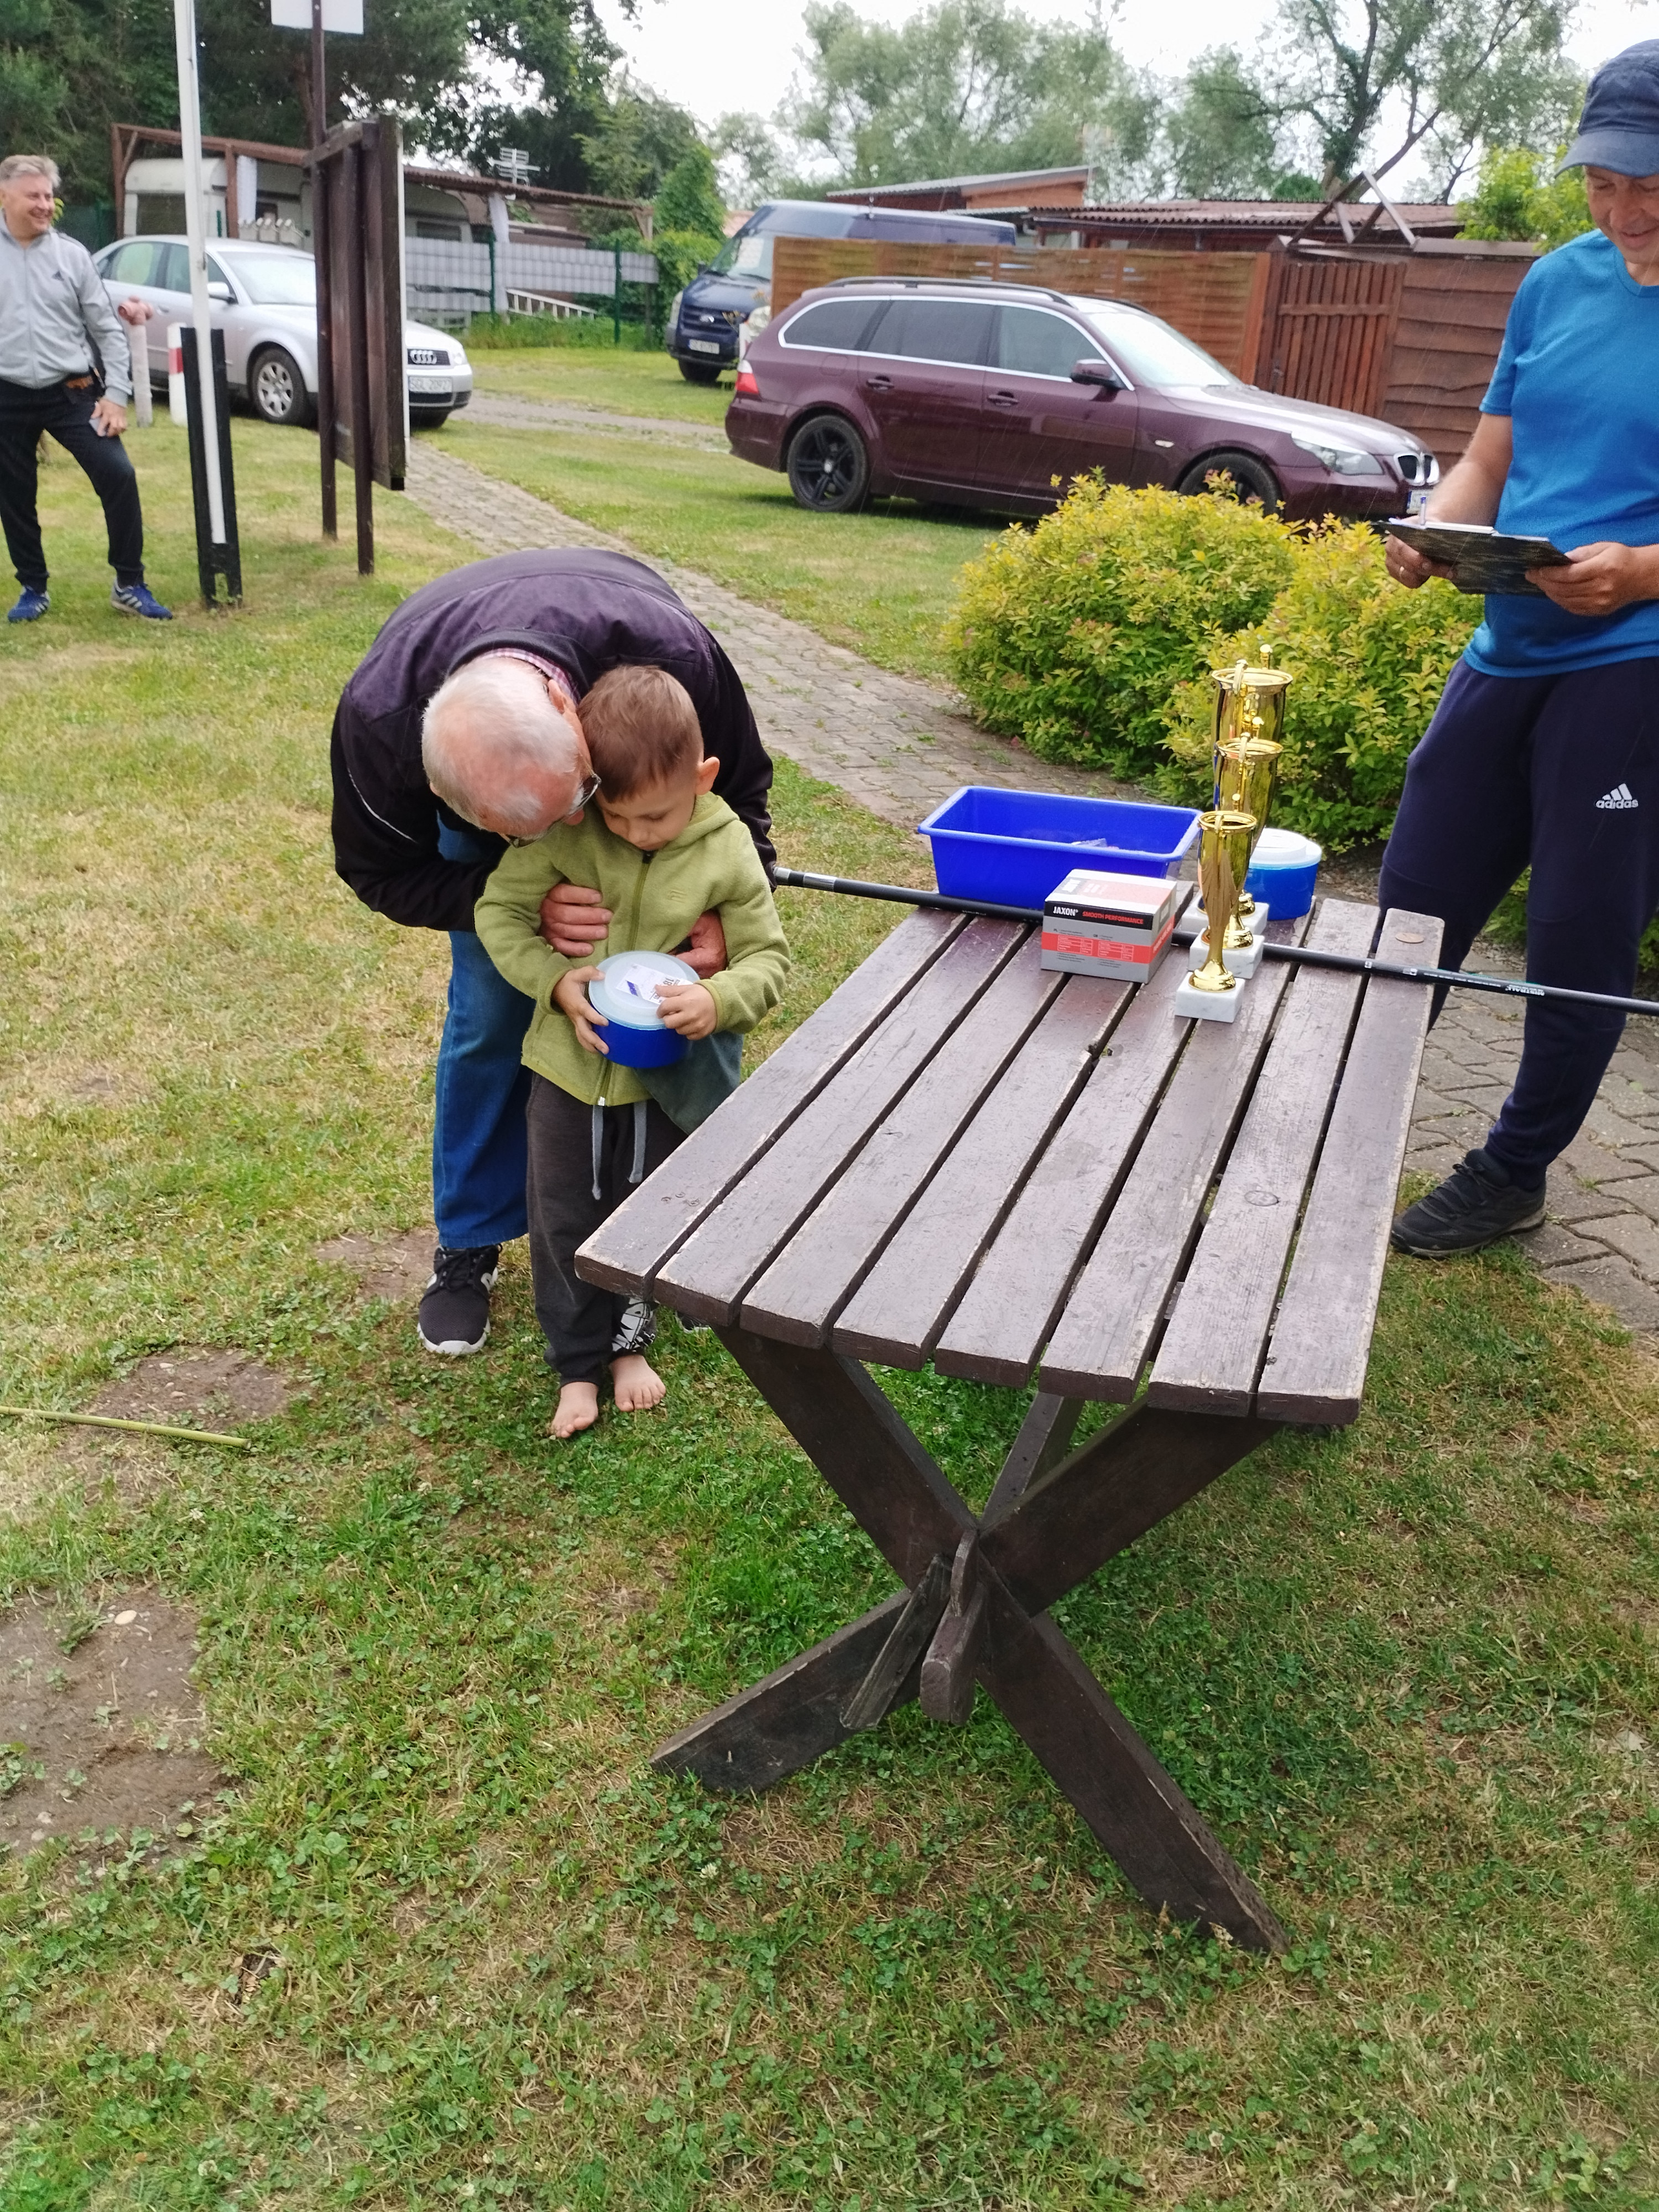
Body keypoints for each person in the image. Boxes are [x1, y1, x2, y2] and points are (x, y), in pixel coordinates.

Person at [328, 547, 776, 1356]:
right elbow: (377, 873)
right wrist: (507, 897)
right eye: (531, 830)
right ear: (442, 795)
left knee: (675, 1012)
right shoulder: (379, 722)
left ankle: (680, 1234)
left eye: (577, 802)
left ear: (570, 713)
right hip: (493, 839)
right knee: (489, 1014)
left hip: (616, 717)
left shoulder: (672, 653)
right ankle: (469, 1242)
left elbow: (742, 791)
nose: (571, 834)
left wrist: (723, 911)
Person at [1380, 39, 1659, 1256]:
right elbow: (1492, 454)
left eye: (1649, 184)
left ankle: (1514, 1170)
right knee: (1416, 891)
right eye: (1602, 181)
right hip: (1509, 639)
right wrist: (1435, 529)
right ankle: (1345, 1102)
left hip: (1636, 654)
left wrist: (1642, 570)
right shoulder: (1555, 281)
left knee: (1579, 929)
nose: (1623, 208)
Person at [471, 665, 789, 1439]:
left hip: (664, 1082)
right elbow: (499, 912)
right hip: (565, 1071)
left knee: (637, 1213)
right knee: (561, 1216)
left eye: (656, 816)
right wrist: (554, 981)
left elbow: (767, 960)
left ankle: (628, 1346)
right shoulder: (573, 828)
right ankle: (576, 1365)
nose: (637, 834)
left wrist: (717, 1000)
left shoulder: (727, 847)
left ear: (702, 778)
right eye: (618, 816)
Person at [0, 153, 171, 623]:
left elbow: (107, 330)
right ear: (5, 197)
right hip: (7, 394)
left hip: (72, 391)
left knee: (118, 474)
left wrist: (116, 396)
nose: (44, 204)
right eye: (33, 196)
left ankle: (129, 584)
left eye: (48, 195)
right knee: (14, 493)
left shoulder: (72, 255)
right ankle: (33, 588)